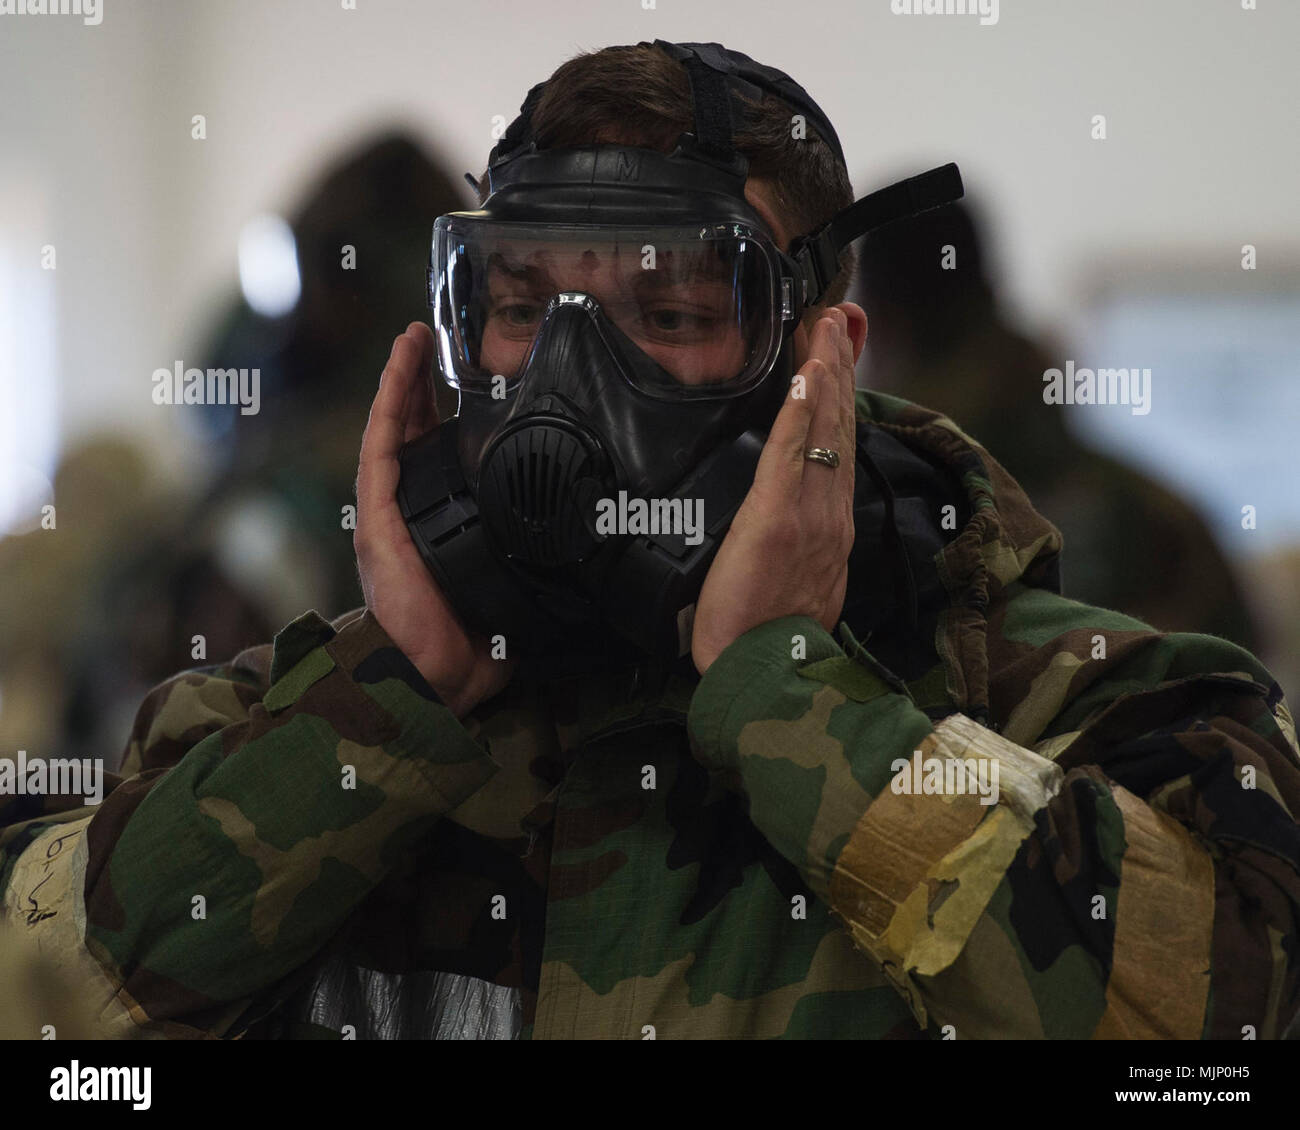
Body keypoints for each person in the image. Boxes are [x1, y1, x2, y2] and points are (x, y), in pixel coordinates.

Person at [2, 39, 1298, 1041]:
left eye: (672, 308)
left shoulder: (1074, 706)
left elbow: (1225, 1013)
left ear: (824, 354)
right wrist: (396, 700)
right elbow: (43, 1005)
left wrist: (789, 691)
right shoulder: (296, 720)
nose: (569, 377)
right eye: (519, 308)